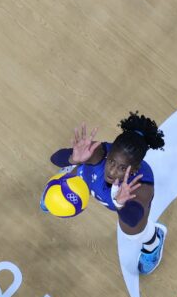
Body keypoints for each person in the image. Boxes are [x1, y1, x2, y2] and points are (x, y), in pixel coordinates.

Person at [48, 113, 168, 275]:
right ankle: (61, 187)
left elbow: (133, 219)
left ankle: (154, 241)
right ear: (108, 153)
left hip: (124, 206)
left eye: (122, 168)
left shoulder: (141, 187)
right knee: (80, 170)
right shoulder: (98, 152)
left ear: (134, 170)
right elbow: (54, 159)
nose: (112, 171)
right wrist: (73, 159)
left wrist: (121, 204)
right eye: (111, 162)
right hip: (92, 178)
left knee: (133, 233)